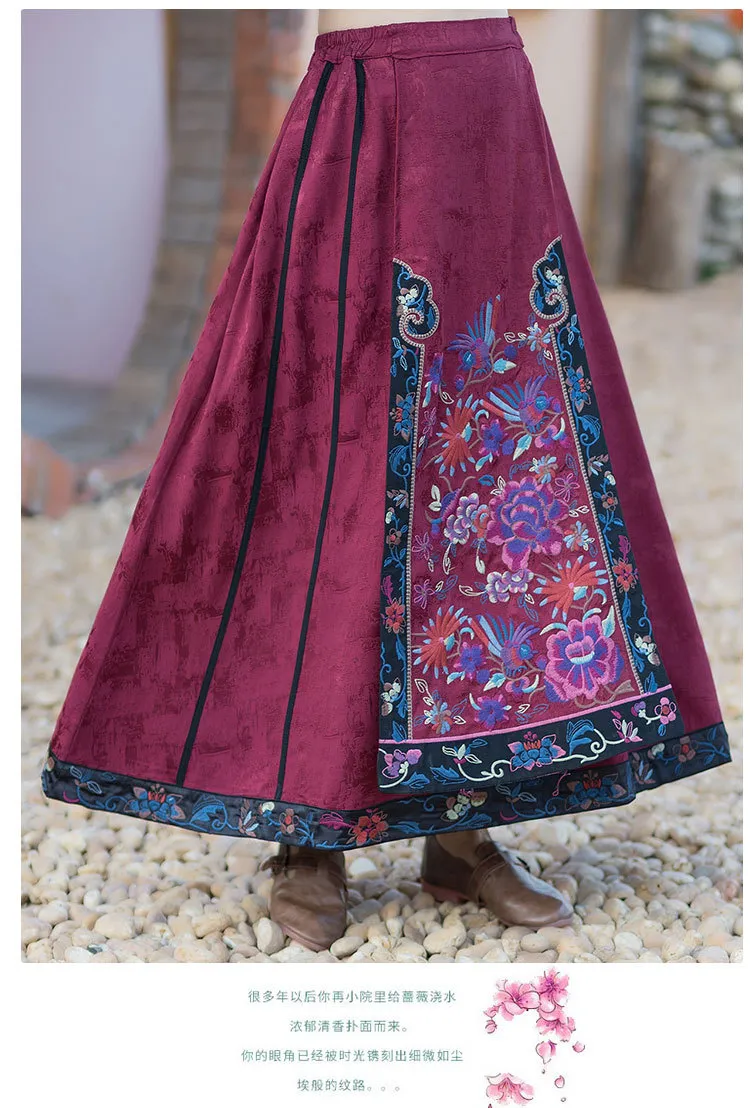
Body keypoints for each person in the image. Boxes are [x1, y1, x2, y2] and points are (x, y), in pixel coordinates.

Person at [42, 11, 731, 953]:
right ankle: (308, 829)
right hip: (363, 104)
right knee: (321, 462)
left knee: (493, 465)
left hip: (490, 101)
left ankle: (465, 824)